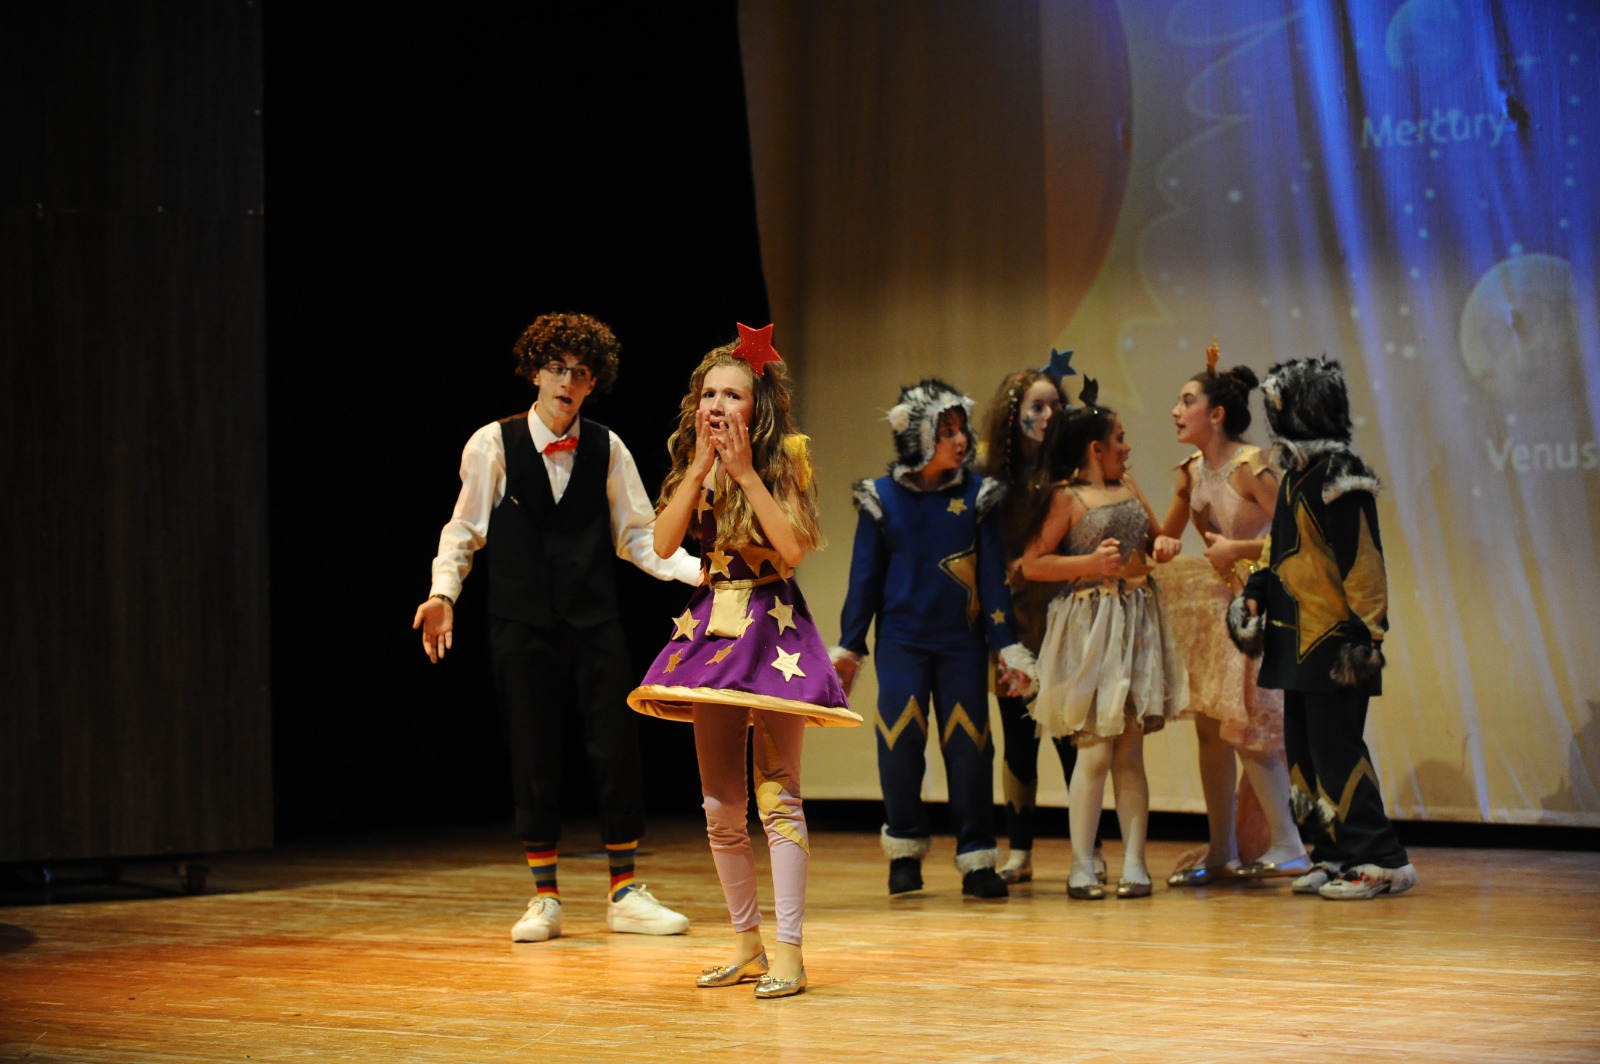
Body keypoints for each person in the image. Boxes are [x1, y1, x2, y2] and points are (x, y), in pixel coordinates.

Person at [412, 311, 696, 943]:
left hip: (594, 619)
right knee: (533, 746)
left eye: (581, 373)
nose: (567, 382)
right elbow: (464, 530)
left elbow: (639, 538)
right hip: (522, 622)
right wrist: (442, 592)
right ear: (535, 372)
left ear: (595, 383)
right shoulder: (493, 443)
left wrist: (702, 574)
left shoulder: (607, 447)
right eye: (557, 368)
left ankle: (625, 891)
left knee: (616, 744)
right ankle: (544, 896)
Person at [629, 324, 860, 1000]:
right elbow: (663, 544)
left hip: (771, 629)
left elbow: (792, 548)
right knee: (721, 806)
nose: (719, 405)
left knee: (778, 796)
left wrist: (745, 473)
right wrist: (701, 468)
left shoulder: (783, 460)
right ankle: (746, 944)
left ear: (757, 406)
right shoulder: (692, 462)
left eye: (732, 395)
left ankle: (790, 952)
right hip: (711, 629)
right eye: (710, 394)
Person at [834, 379, 1033, 899]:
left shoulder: (977, 497)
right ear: (919, 436)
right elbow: (864, 580)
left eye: (962, 429)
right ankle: (904, 851)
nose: (961, 440)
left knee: (971, 746)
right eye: (948, 431)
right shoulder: (881, 499)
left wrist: (1006, 646)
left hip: (962, 644)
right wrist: (850, 646)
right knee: (899, 743)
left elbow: (992, 581)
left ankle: (977, 858)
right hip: (902, 642)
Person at [1229, 356, 1417, 900]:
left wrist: (1366, 637)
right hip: (1295, 643)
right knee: (1306, 759)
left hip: (1335, 643)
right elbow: (1276, 550)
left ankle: (1381, 860)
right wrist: (1254, 593)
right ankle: (1334, 855)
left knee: (1338, 753)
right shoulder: (1296, 475)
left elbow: (1364, 561)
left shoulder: (1340, 474)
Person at [1021, 378, 1186, 899]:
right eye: (1120, 439)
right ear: (1096, 448)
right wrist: (1090, 563)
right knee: (1093, 752)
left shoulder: (1129, 486)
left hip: (1135, 621)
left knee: (1130, 751)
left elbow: (1154, 538)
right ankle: (1081, 863)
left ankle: (1135, 861)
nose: (1127, 447)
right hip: (1091, 627)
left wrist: (1164, 544)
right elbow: (1032, 563)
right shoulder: (1067, 498)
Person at [1156, 343, 1309, 886]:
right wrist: (1160, 543)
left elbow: (1299, 534)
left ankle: (1289, 844)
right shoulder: (1192, 472)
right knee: (1212, 728)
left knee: (1251, 725)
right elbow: (1165, 537)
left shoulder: (1251, 467)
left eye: (1187, 401)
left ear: (1216, 414)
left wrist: (1237, 550)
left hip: (1262, 607)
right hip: (1221, 610)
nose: (1176, 411)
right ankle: (1222, 848)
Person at [975, 356, 1100, 885]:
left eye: (1055, 406)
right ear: (1013, 413)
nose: (1049, 416)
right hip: (1010, 623)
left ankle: (1087, 851)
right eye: (1037, 406)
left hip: (1065, 618)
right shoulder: (988, 481)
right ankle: (1020, 851)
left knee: (1071, 737)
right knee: (1018, 738)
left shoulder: (1071, 475)